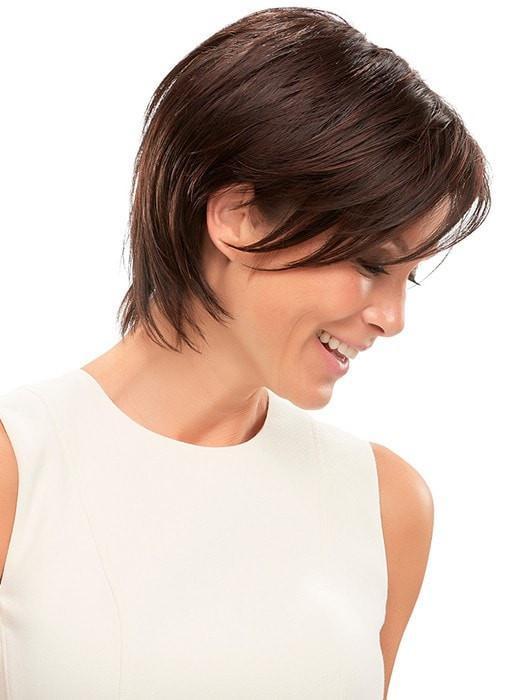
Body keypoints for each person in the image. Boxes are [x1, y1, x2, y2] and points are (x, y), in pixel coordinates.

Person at [0, 7, 491, 699]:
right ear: (239, 217)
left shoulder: (386, 504)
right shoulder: (20, 469)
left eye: (407, 278)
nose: (392, 318)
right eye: (371, 263)